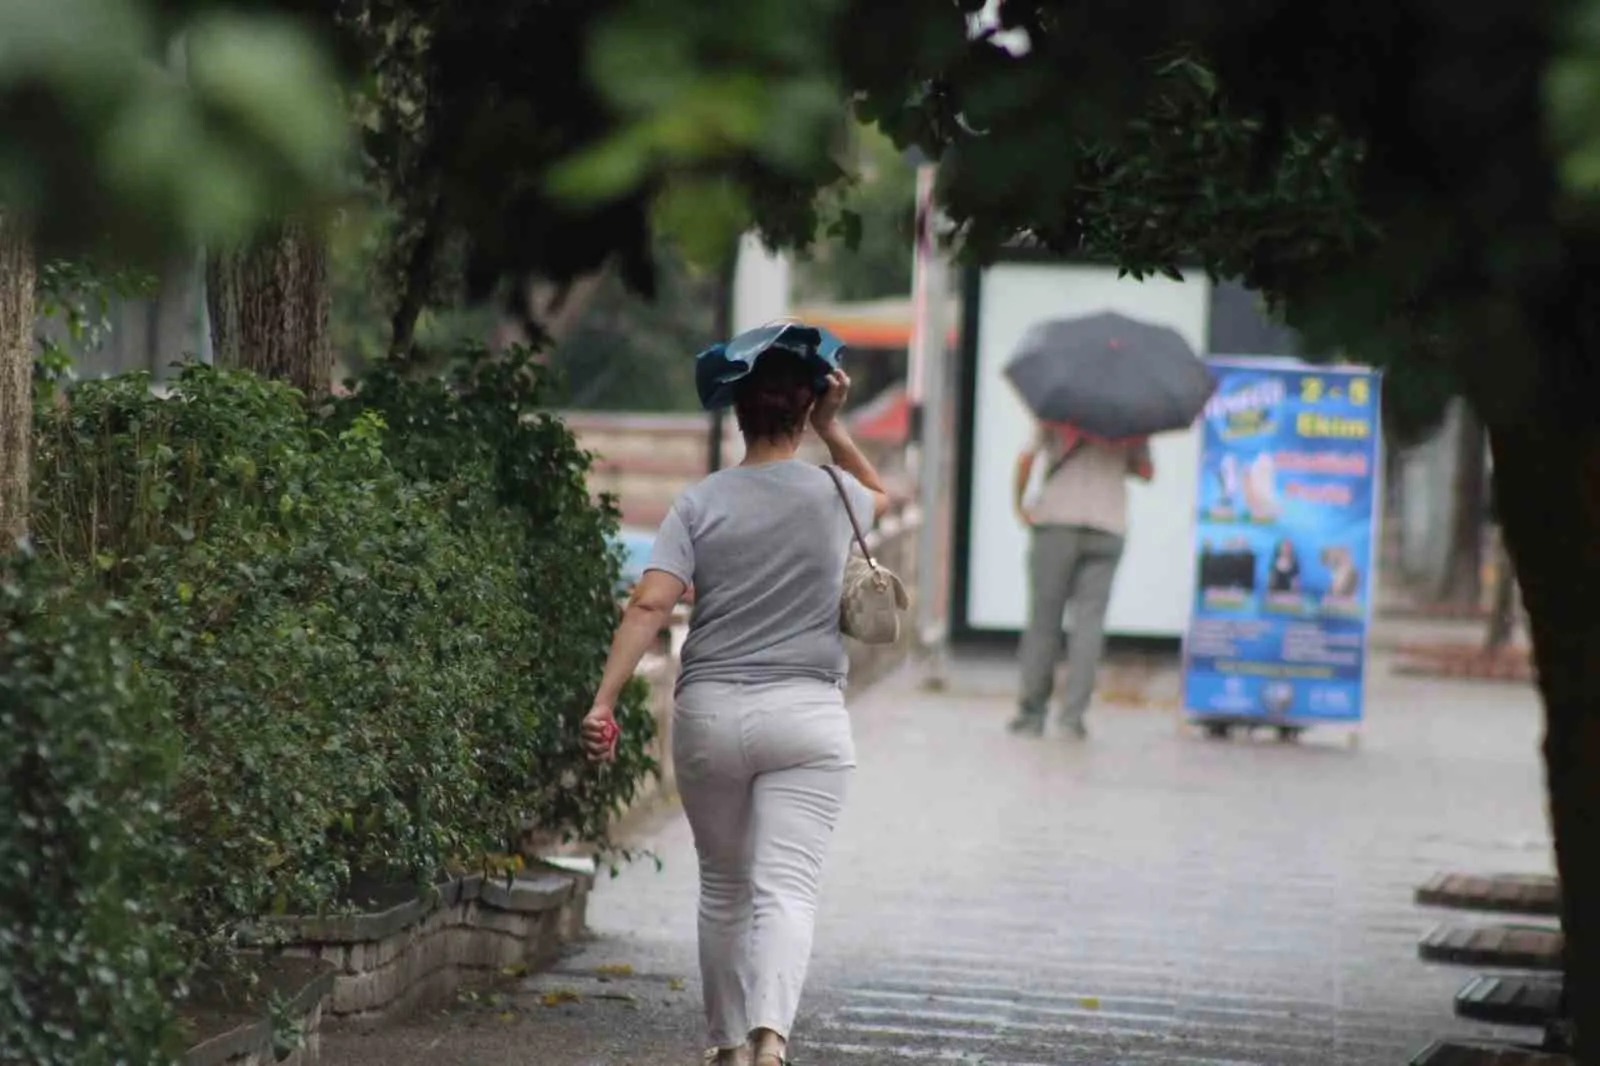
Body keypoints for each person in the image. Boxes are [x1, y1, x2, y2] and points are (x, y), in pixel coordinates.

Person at [582, 351, 890, 1066]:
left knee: (724, 885)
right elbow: (878, 494)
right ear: (804, 411)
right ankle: (770, 1040)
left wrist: (603, 701)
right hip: (808, 715)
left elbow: (652, 602)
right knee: (788, 889)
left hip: (712, 713)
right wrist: (834, 430)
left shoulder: (699, 502)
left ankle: (723, 1044)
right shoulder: (832, 492)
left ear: (739, 412)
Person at [1010, 422, 1153, 739]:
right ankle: (1072, 719)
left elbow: (1025, 459)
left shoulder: (1056, 406)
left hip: (1056, 521)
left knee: (1043, 622)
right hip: (1108, 524)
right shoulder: (1131, 413)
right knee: (1089, 624)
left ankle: (1031, 715)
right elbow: (1146, 472)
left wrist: (1019, 504)